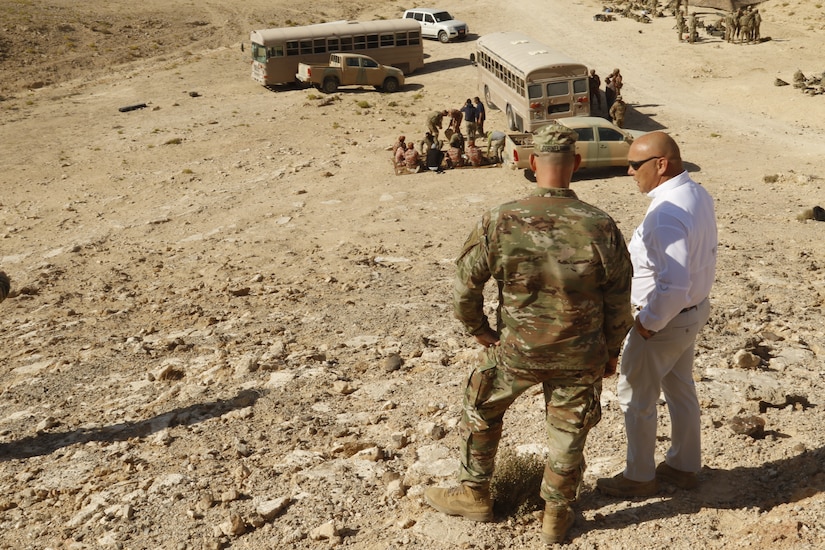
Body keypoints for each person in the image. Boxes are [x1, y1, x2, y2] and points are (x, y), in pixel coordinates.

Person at [424, 123, 633, 544]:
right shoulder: (600, 225)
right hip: (580, 352)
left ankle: (474, 492)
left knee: (482, 405)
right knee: (570, 428)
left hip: (517, 349)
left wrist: (481, 331)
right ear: (576, 163)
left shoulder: (500, 220)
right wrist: (609, 352)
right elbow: (619, 300)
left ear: (533, 162)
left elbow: (465, 287)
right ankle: (556, 514)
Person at [596, 131, 717, 499]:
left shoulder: (665, 213)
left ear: (661, 165)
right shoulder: (695, 193)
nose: (630, 172)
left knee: (636, 397)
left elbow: (674, 283)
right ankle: (683, 466)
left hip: (664, 321)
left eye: (635, 164)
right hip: (691, 314)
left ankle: (639, 476)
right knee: (680, 389)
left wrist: (647, 325)